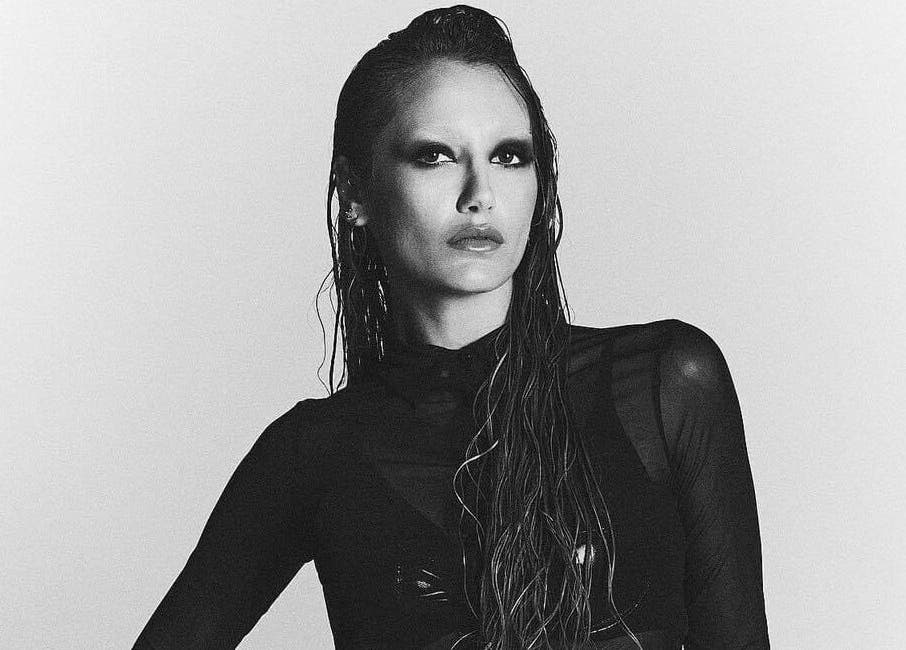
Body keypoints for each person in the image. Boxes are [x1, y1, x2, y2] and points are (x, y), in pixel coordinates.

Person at [134, 5, 769, 649]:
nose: (480, 194)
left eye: (509, 157)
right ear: (355, 191)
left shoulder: (665, 385)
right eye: (435, 156)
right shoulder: (313, 453)